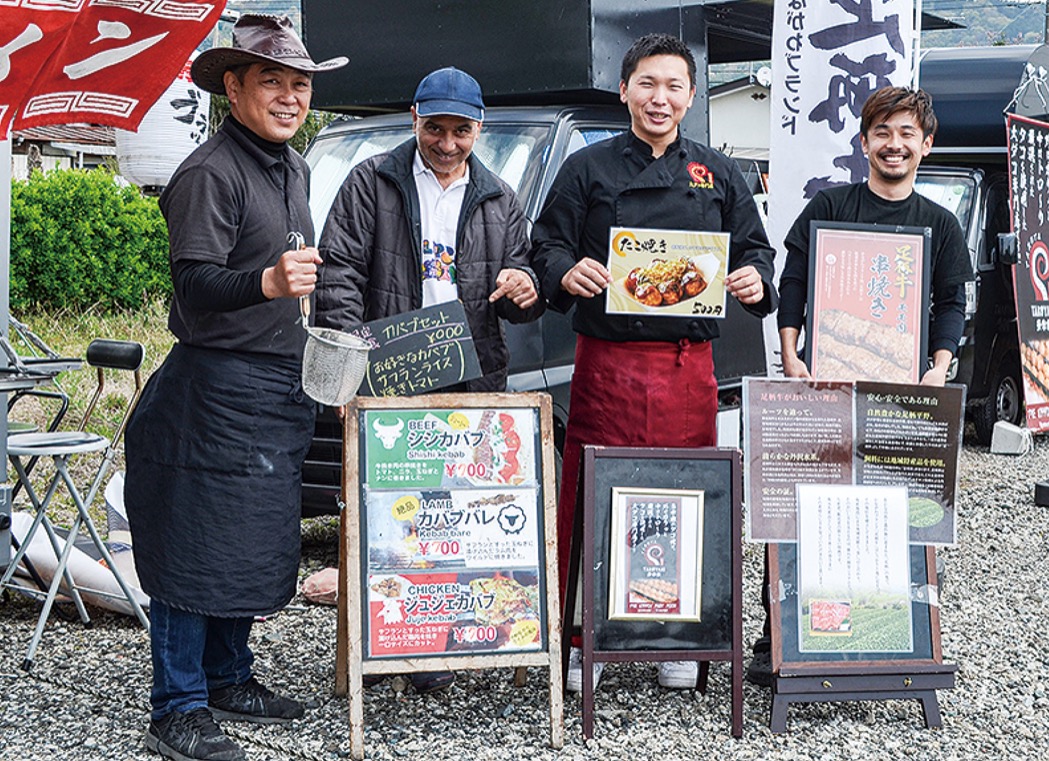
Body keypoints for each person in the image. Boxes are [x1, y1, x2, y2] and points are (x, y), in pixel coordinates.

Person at [123, 15, 347, 761]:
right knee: (192, 546)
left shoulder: (294, 167)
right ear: (233, 87)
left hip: (275, 385)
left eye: (300, 84)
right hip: (211, 390)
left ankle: (227, 675)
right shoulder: (208, 172)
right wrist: (266, 283)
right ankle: (177, 706)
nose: (290, 97)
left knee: (249, 543)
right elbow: (193, 283)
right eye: (272, 81)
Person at [530, 33, 777, 693]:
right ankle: (580, 638)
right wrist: (566, 271)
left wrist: (754, 279)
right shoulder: (587, 168)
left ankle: (678, 637)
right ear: (624, 90)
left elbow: (756, 251)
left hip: (686, 367)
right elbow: (546, 245)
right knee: (590, 496)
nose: (659, 98)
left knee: (685, 495)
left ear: (691, 96)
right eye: (647, 83)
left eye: (673, 86)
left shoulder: (718, 173)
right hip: (606, 364)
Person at [315, 67, 543, 693]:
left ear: (479, 128)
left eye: (460, 130)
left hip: (471, 378)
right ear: (414, 118)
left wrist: (524, 287)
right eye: (435, 128)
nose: (447, 143)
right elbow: (339, 277)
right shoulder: (371, 181)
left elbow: (524, 284)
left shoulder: (499, 197)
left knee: (455, 512)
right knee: (388, 512)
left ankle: (439, 638)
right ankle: (384, 639)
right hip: (390, 371)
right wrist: (348, 373)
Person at [750, 85, 974, 685]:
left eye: (906, 134)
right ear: (864, 142)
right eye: (882, 133)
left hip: (900, 395)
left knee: (895, 511)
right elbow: (793, 282)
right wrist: (791, 353)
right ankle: (781, 636)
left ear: (926, 145)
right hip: (823, 388)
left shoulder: (940, 224)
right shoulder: (830, 206)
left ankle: (886, 635)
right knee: (802, 509)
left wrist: (938, 366)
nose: (893, 145)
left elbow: (952, 304)